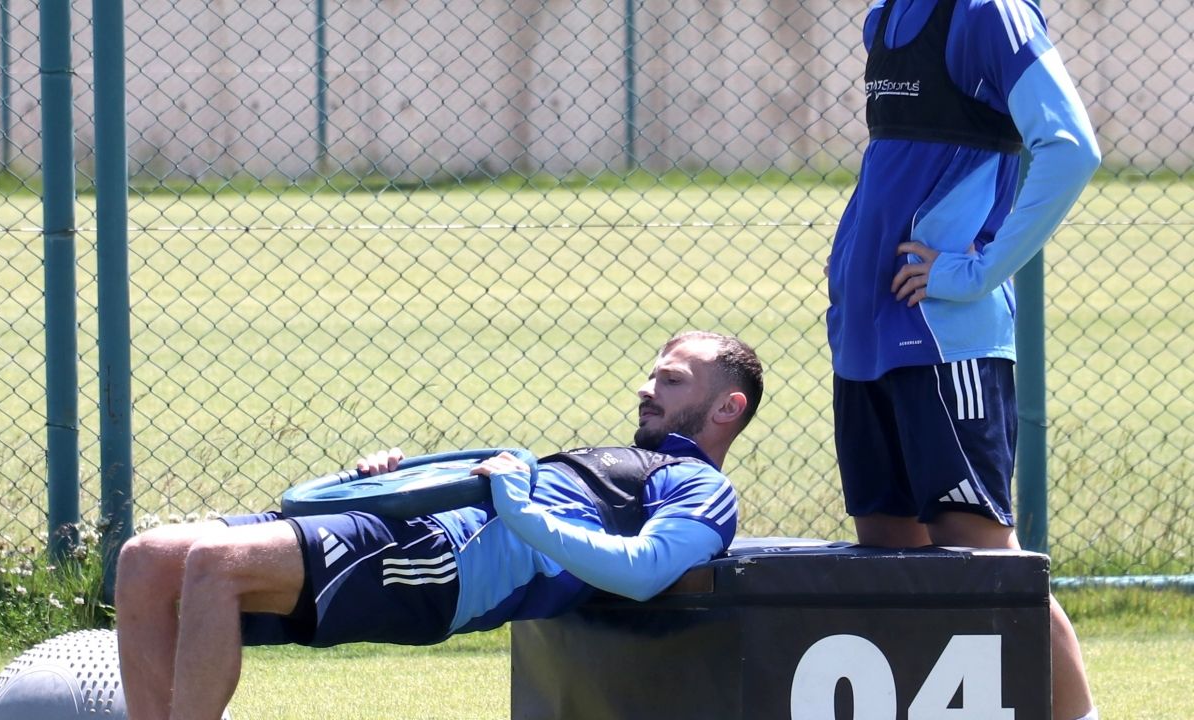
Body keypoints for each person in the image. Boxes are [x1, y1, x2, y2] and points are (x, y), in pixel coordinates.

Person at [115, 331, 763, 720]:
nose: (645, 388)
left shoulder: (704, 488)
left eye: (670, 380)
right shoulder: (632, 459)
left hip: (446, 564)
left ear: (726, 408)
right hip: (411, 522)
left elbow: (644, 572)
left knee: (216, 565)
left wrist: (523, 511)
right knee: (145, 558)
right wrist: (386, 484)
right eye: (651, 374)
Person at [825, 1, 1100, 719]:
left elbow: (1071, 147)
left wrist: (977, 270)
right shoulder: (884, 17)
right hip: (864, 341)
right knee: (892, 566)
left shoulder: (988, 13)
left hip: (947, 343)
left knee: (984, 567)